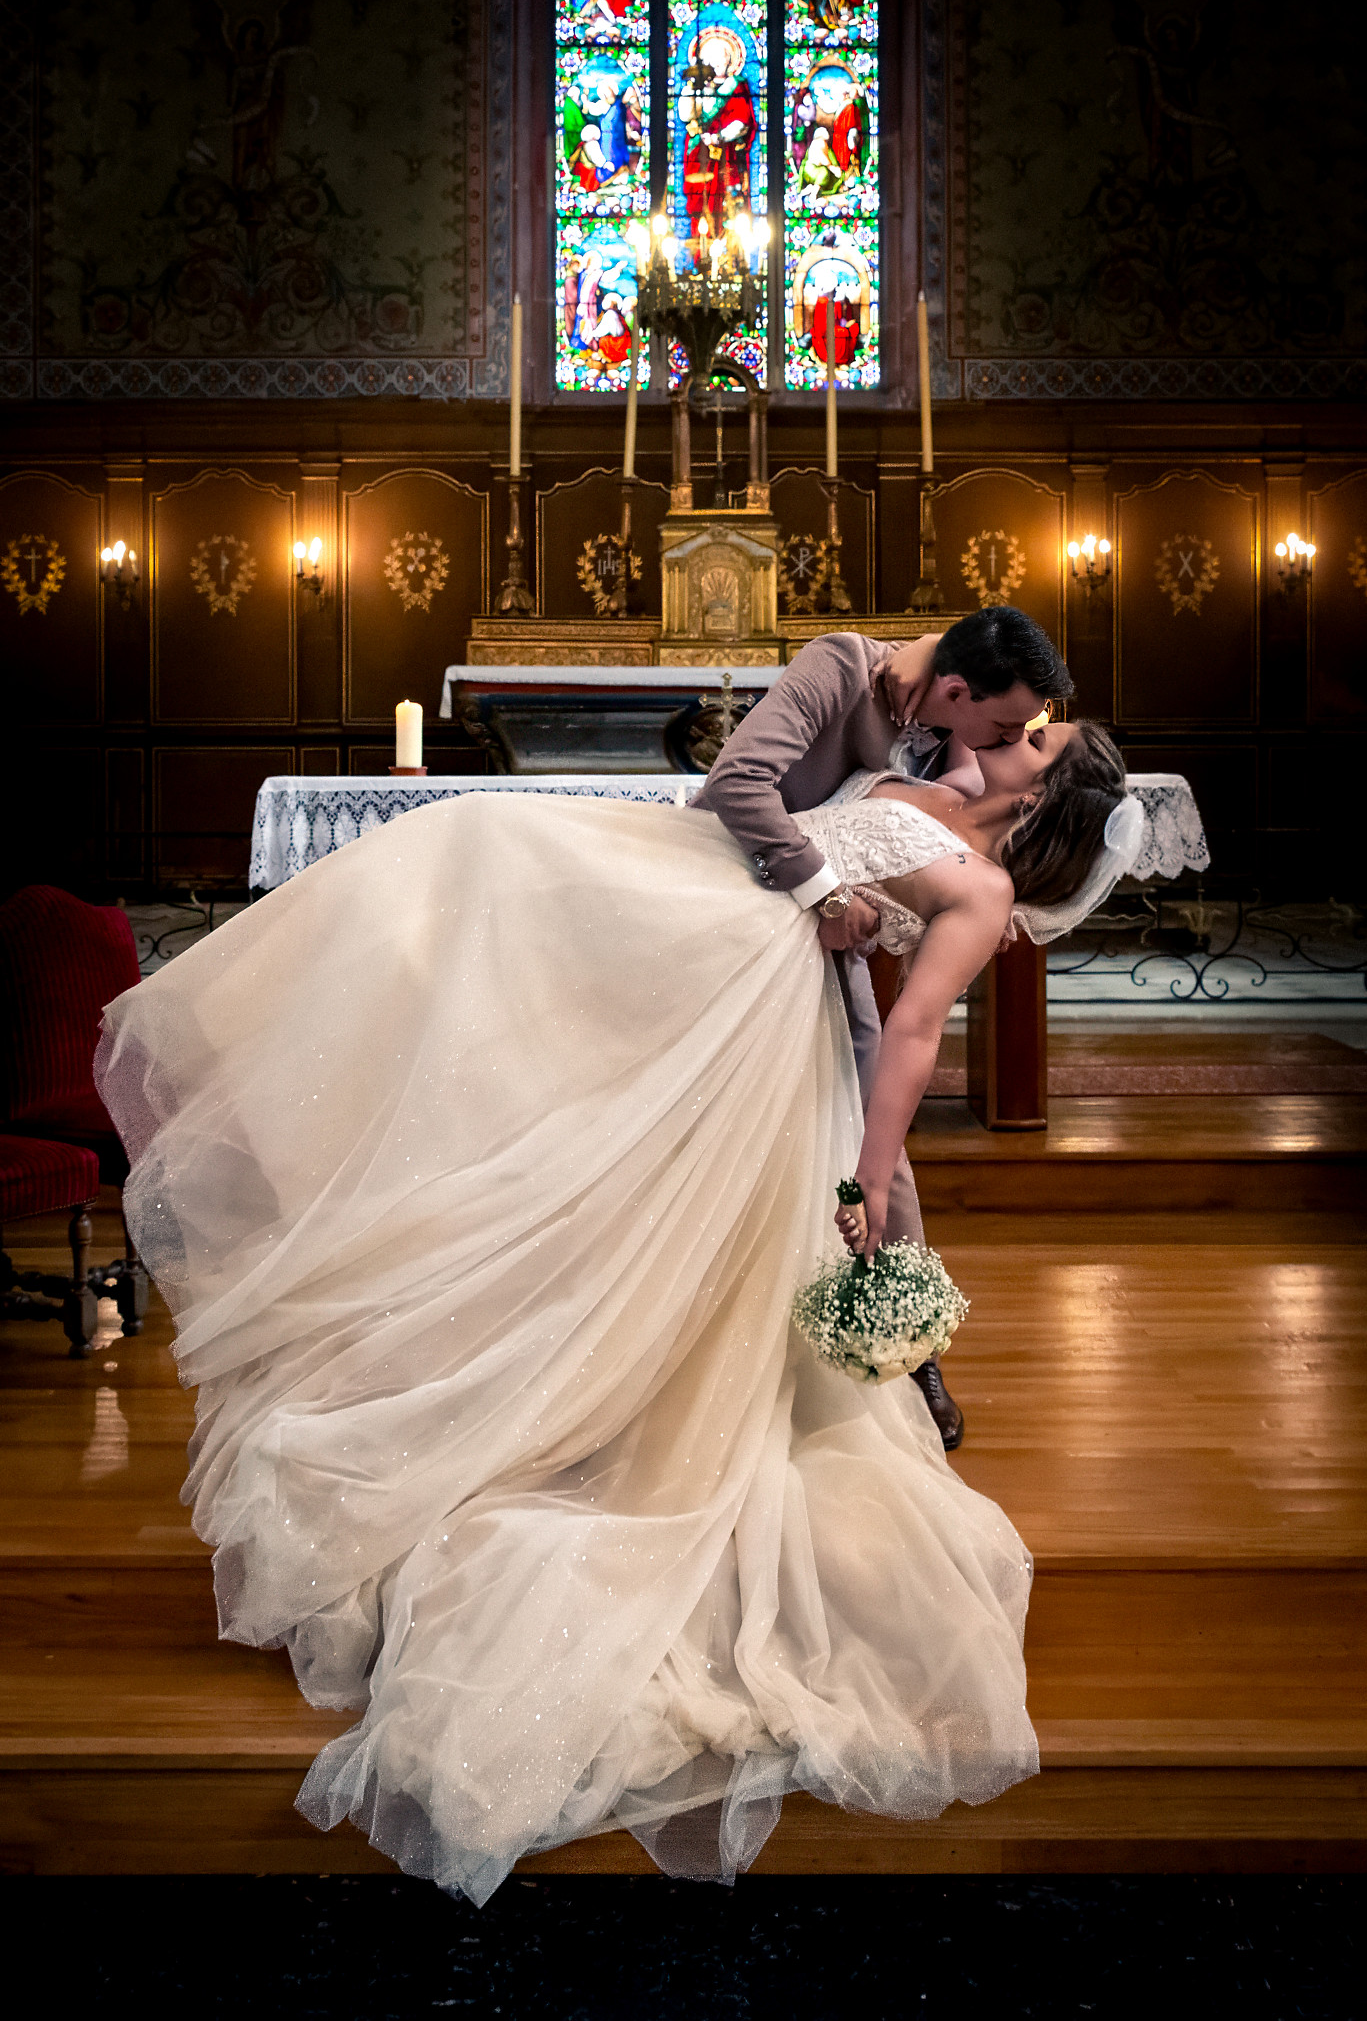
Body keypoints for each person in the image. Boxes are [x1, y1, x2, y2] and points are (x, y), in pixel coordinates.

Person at [95, 719, 1132, 1907]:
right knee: (483, 883)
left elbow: (907, 1036)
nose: (1014, 724)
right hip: (707, 936)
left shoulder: (981, 888)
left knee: (658, 1207)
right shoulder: (927, 782)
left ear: (1040, 794)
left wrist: (863, 1177)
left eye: (1036, 735)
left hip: (756, 1008)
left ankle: (592, 1422)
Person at [692, 607, 1075, 1447]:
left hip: (830, 955)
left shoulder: (960, 740)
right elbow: (735, 782)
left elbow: (988, 799)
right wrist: (825, 893)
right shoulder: (843, 669)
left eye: (1023, 733)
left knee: (875, 1134)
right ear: (955, 690)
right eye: (1006, 726)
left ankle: (912, 1348)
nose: (1011, 738)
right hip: (743, 904)